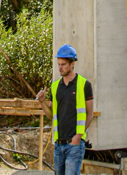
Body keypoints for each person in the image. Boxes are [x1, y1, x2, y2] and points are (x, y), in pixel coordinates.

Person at [36, 44, 94, 175]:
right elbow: (52, 115)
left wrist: (78, 136)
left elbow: (89, 114)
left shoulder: (84, 84)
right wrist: (42, 102)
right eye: (58, 64)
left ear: (72, 64)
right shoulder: (55, 86)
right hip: (58, 144)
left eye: (63, 64)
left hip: (74, 144)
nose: (60, 68)